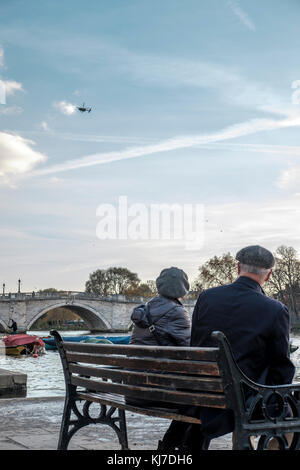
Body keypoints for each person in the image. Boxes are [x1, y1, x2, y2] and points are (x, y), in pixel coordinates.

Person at [159, 245, 296, 450]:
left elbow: (197, 345)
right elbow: (282, 366)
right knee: (293, 406)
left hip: (202, 394)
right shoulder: (275, 310)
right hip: (242, 401)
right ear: (268, 276)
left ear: (238, 267)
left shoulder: (206, 297)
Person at [126, 267, 191, 415]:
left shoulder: (145, 310)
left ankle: (172, 439)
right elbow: (191, 351)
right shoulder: (177, 312)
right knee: (205, 403)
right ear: (183, 290)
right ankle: (173, 439)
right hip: (157, 392)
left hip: (132, 391)